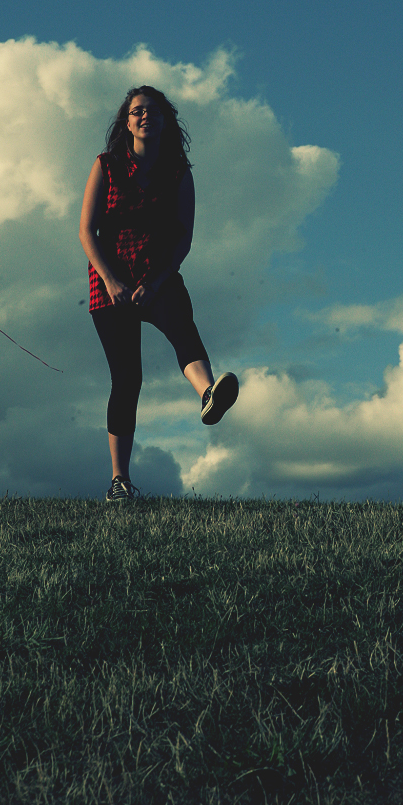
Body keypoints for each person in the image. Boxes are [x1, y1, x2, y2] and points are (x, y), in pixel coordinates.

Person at [79, 85, 238, 501]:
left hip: (159, 276)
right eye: (137, 111)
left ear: (166, 120)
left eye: (153, 110)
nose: (145, 116)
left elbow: (184, 237)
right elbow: (86, 231)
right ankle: (119, 481)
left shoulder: (179, 173)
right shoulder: (107, 165)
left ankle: (207, 393)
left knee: (182, 327)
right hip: (109, 283)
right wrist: (113, 281)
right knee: (127, 379)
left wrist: (159, 278)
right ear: (126, 122)